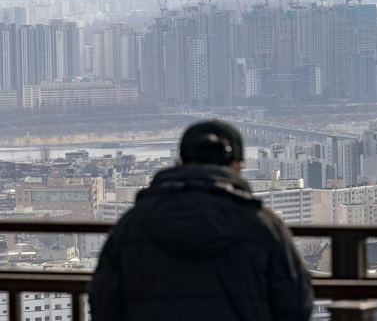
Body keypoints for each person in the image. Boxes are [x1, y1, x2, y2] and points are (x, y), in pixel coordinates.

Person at [89, 120, 313, 321]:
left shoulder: (133, 224)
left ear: (178, 164)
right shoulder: (264, 226)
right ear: (238, 167)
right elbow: (295, 302)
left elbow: (103, 300)